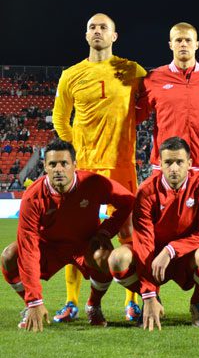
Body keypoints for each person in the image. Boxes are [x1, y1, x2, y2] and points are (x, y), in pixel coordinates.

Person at [52, 13, 146, 322]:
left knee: (129, 234)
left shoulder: (132, 70)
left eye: (103, 27)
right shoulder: (71, 75)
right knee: (77, 235)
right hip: (86, 169)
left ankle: (131, 301)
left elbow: (148, 104)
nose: (97, 31)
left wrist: (127, 130)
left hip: (121, 167)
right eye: (92, 27)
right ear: (86, 34)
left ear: (114, 36)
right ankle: (71, 302)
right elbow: (59, 119)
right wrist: (74, 154)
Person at [136, 22, 199, 319]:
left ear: (197, 44)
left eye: (188, 40)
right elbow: (132, 117)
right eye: (178, 40)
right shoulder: (154, 79)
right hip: (163, 171)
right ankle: (151, 299)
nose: (183, 44)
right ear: (170, 44)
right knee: (151, 237)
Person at [0, 139, 134, 331]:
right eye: (52, 164)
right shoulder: (33, 196)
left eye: (64, 163)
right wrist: (34, 300)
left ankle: (93, 305)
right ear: (45, 166)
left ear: (74, 165)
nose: (58, 169)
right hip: (49, 248)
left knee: (104, 255)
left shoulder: (93, 183)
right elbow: (28, 248)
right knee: (9, 256)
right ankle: (30, 308)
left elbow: (128, 201)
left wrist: (106, 230)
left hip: (85, 245)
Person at [108, 137, 199, 329]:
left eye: (179, 162)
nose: (174, 168)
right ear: (160, 164)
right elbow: (143, 243)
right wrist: (148, 293)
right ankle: (152, 300)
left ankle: (197, 303)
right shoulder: (146, 191)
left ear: (189, 164)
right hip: (152, 255)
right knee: (117, 260)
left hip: (186, 255)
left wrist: (171, 250)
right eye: (168, 162)